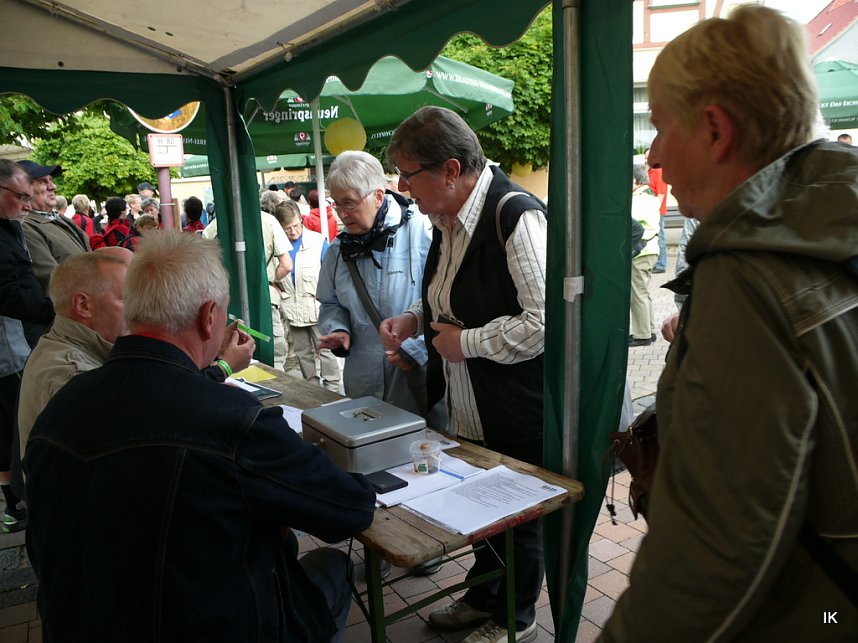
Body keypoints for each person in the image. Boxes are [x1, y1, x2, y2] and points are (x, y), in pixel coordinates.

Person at [602, 6, 858, 641]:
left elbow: (712, 550)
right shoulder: (830, 229)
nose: (655, 155)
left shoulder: (750, 275)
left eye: (661, 128)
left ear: (716, 130)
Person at [24, 231, 376, 642]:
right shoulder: (233, 421)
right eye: (224, 315)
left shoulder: (61, 405)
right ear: (208, 316)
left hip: (79, 623)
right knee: (331, 566)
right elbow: (351, 510)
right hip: (205, 627)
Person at [381, 106, 547, 643]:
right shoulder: (444, 216)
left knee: (518, 513)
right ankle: (483, 595)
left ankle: (514, 617)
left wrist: (464, 343)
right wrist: (416, 319)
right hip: (468, 397)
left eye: (408, 174)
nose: (403, 188)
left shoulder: (514, 215)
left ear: (450, 170)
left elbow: (545, 322)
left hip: (515, 401)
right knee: (482, 503)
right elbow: (449, 297)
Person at [316, 150, 436, 421]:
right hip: (362, 388)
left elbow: (443, 303)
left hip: (415, 381)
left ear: (378, 196)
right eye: (337, 204)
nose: (342, 214)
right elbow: (330, 303)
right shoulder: (338, 250)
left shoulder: (424, 232)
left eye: (349, 203)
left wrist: (415, 352)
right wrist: (337, 330)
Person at [0, 160, 54, 532]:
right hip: (9, 352)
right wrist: (55, 309)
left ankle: (17, 502)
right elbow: (14, 292)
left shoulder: (11, 227)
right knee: (18, 428)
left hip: (15, 345)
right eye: (22, 195)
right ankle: (27, 501)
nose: (28, 203)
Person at [203, 198, 293, 369]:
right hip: (265, 296)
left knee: (232, 350)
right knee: (274, 358)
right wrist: (267, 280)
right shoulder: (268, 221)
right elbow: (287, 265)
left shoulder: (214, 226)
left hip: (228, 300)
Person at [272, 200, 341, 391]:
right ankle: (313, 389)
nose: (293, 232)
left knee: (326, 350)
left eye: (296, 226)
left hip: (317, 306)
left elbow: (331, 273)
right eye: (288, 229)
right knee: (302, 352)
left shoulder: (318, 241)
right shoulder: (277, 246)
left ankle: (333, 388)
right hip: (292, 308)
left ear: (301, 220)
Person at [18, 160, 90, 344]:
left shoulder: (57, 219)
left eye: (51, 180)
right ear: (23, 188)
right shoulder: (26, 226)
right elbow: (52, 280)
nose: (53, 186)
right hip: (67, 324)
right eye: (43, 181)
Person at [629, 164, 660, 347]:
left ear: (634, 180)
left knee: (637, 293)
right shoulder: (650, 196)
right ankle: (649, 330)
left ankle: (642, 335)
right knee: (644, 293)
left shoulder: (638, 199)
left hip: (641, 253)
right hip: (650, 250)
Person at [645, 148, 669, 273]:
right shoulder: (649, 171)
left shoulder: (658, 171)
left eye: (647, 157)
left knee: (660, 236)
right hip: (652, 209)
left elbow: (661, 193)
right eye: (644, 158)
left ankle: (661, 264)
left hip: (657, 210)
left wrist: (654, 210)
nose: (645, 160)